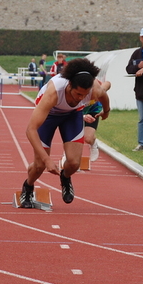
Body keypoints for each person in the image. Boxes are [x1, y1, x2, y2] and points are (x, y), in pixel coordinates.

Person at [19, 58, 110, 208]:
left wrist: (106, 111)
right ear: (69, 86)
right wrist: (47, 159)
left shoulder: (93, 89)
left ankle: (65, 177)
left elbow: (104, 96)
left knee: (74, 163)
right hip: (49, 115)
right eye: (77, 94)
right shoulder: (54, 92)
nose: (80, 98)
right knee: (40, 165)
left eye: (84, 95)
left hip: (72, 115)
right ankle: (28, 186)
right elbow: (30, 130)